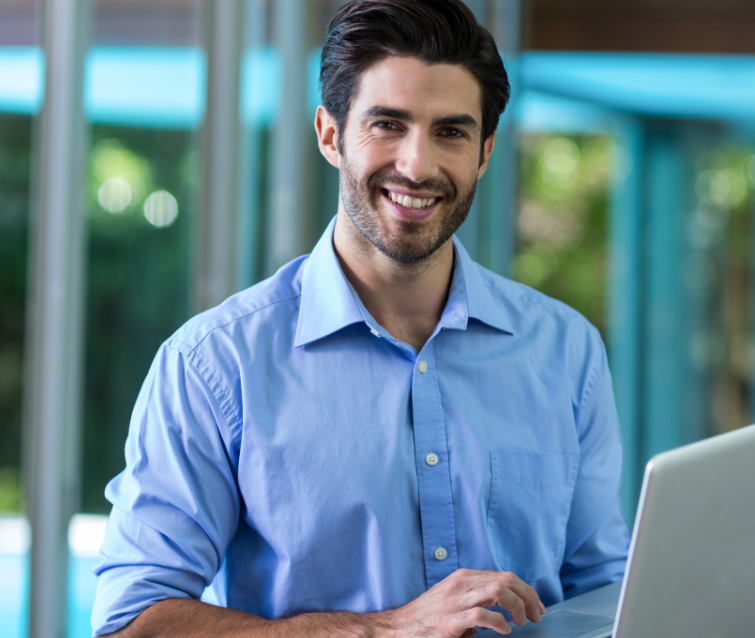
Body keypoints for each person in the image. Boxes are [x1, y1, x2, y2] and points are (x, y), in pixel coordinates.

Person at [91, 1, 629, 636]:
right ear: (329, 134)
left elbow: (605, 591)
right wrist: (386, 629)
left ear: (484, 152)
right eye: (387, 125)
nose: (418, 165)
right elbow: (133, 622)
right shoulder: (215, 365)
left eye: (451, 132)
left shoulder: (565, 350)